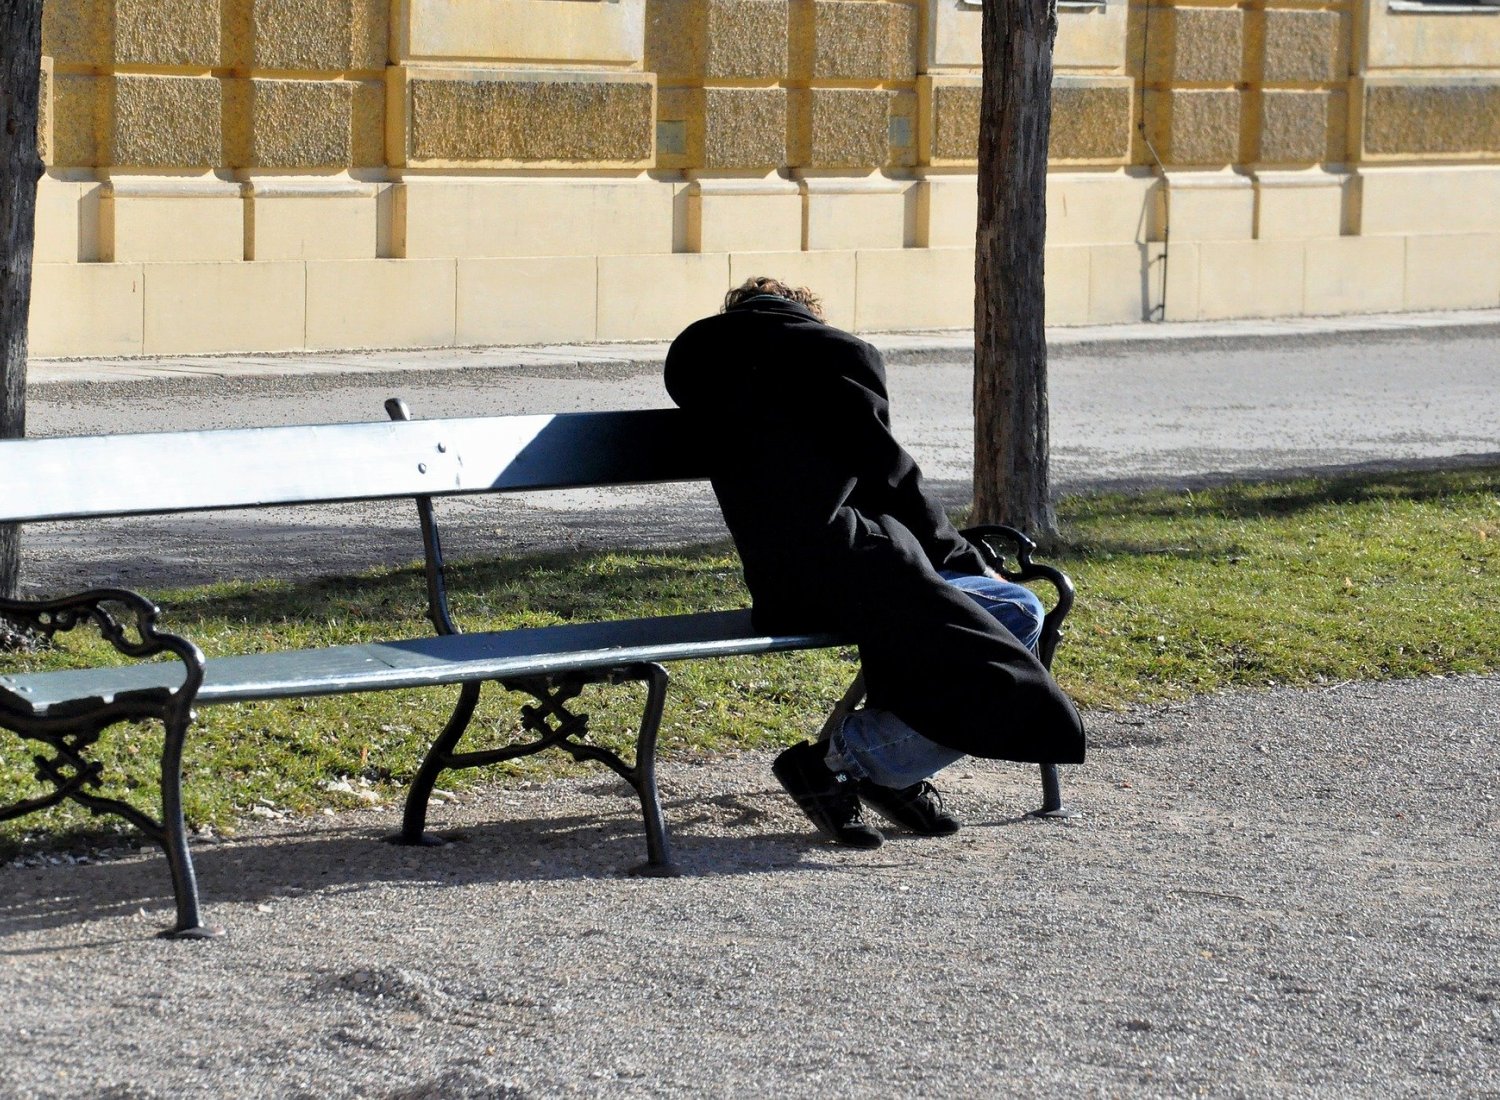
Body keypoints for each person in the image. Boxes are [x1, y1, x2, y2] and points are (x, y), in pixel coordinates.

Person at [664, 277, 1086, 849]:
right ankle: (855, 760)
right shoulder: (835, 355)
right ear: (804, 314)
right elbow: (891, 477)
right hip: (849, 566)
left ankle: (890, 770)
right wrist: (964, 557)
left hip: (779, 588)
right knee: (1017, 608)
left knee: (935, 619)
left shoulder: (702, 366)